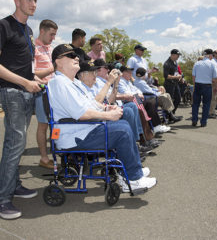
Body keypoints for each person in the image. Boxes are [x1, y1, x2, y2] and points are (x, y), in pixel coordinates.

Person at [48, 44, 157, 192]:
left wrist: (105, 108)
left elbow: (90, 105)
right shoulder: (59, 82)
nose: (76, 58)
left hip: (83, 130)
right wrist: (108, 115)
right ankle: (133, 179)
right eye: (70, 55)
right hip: (75, 135)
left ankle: (131, 170)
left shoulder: (71, 82)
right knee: (122, 131)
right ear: (58, 61)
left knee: (124, 125)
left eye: (75, 56)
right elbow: (81, 114)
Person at [0, 0, 41, 220]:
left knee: (18, 143)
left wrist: (33, 79)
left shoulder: (28, 29)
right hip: (11, 92)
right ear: (17, 1)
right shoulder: (3, 25)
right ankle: (3, 199)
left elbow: (23, 66)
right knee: (15, 144)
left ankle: (14, 184)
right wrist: (24, 83)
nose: (34, 4)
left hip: (26, 91)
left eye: (36, 0)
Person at [118, 66, 171, 134]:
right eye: (128, 72)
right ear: (122, 73)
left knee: (150, 103)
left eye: (131, 72)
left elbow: (137, 90)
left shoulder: (128, 82)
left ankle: (157, 125)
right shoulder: (120, 82)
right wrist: (138, 94)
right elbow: (126, 93)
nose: (131, 73)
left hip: (135, 99)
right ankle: (156, 126)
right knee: (150, 103)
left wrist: (139, 94)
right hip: (128, 101)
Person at [34, 19, 58, 169]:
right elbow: (31, 72)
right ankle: (44, 158)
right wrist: (52, 69)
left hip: (54, 91)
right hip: (41, 92)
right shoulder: (33, 48)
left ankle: (57, 153)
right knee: (43, 125)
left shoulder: (50, 48)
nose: (53, 38)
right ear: (42, 31)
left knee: (55, 124)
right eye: (51, 34)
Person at [191, 49, 217, 127]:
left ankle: (194, 120)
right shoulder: (212, 64)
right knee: (206, 104)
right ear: (210, 55)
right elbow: (215, 78)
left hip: (198, 84)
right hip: (207, 86)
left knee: (195, 104)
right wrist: (215, 87)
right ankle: (203, 122)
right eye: (212, 55)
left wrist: (194, 85)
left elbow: (193, 76)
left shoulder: (197, 63)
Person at [163, 49, 182, 115]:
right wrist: (176, 77)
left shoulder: (175, 62)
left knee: (178, 99)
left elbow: (175, 72)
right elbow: (166, 76)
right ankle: (168, 116)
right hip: (169, 85)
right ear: (173, 55)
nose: (178, 57)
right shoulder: (167, 63)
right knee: (168, 101)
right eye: (177, 55)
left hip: (175, 84)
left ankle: (172, 114)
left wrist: (179, 76)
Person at [208, 50, 217, 119]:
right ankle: (210, 113)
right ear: (214, 54)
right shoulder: (212, 62)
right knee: (213, 98)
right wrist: (215, 84)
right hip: (214, 83)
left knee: (216, 98)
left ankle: (213, 112)